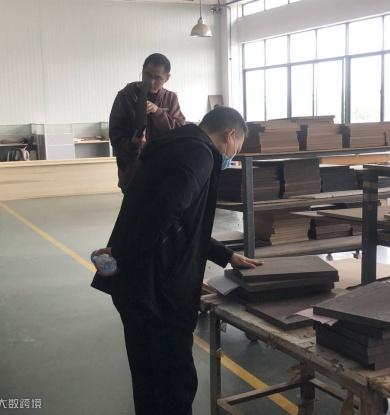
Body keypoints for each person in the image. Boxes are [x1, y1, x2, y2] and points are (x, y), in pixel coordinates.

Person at [91, 106, 263, 415]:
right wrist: (122, 254)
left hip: (132, 285)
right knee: (175, 385)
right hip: (158, 291)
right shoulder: (200, 155)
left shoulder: (174, 144)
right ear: (229, 136)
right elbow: (165, 213)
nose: (233, 156)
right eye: (237, 149)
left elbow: (183, 223)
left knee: (146, 379)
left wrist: (227, 256)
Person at [109, 53, 185, 193]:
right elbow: (115, 136)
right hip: (133, 171)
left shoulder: (170, 98)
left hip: (165, 171)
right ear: (142, 70)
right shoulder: (125, 97)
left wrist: (159, 113)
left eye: (158, 78)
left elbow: (180, 132)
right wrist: (133, 143)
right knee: (135, 206)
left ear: (167, 78)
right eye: (148, 75)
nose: (151, 82)